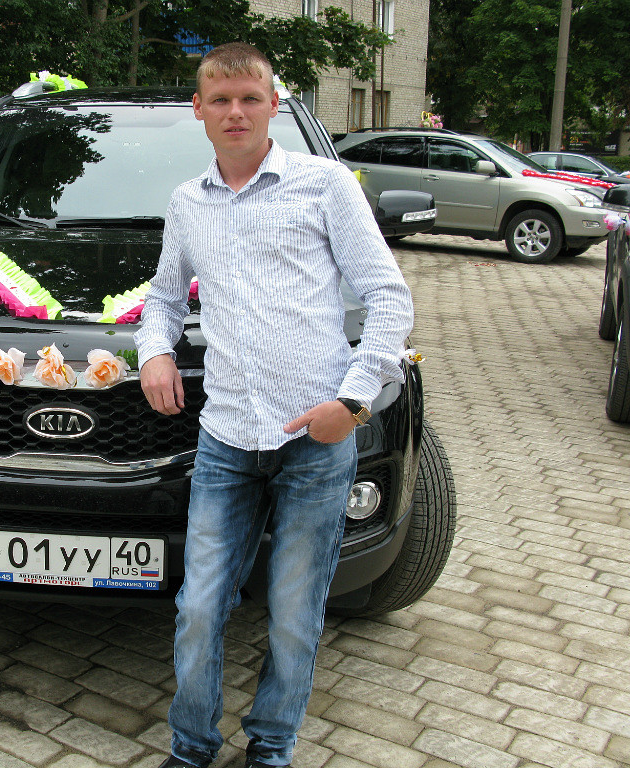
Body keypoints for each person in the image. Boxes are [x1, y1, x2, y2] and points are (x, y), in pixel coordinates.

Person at [133, 43, 414, 768]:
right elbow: (163, 298)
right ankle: (191, 748)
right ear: (199, 109)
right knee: (199, 608)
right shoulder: (189, 203)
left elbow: (388, 298)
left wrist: (352, 403)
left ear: (274, 106)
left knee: (293, 614)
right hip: (226, 439)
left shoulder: (324, 185)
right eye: (220, 100)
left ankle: (272, 747)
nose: (236, 112)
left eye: (249, 98)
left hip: (315, 442)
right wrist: (154, 351)